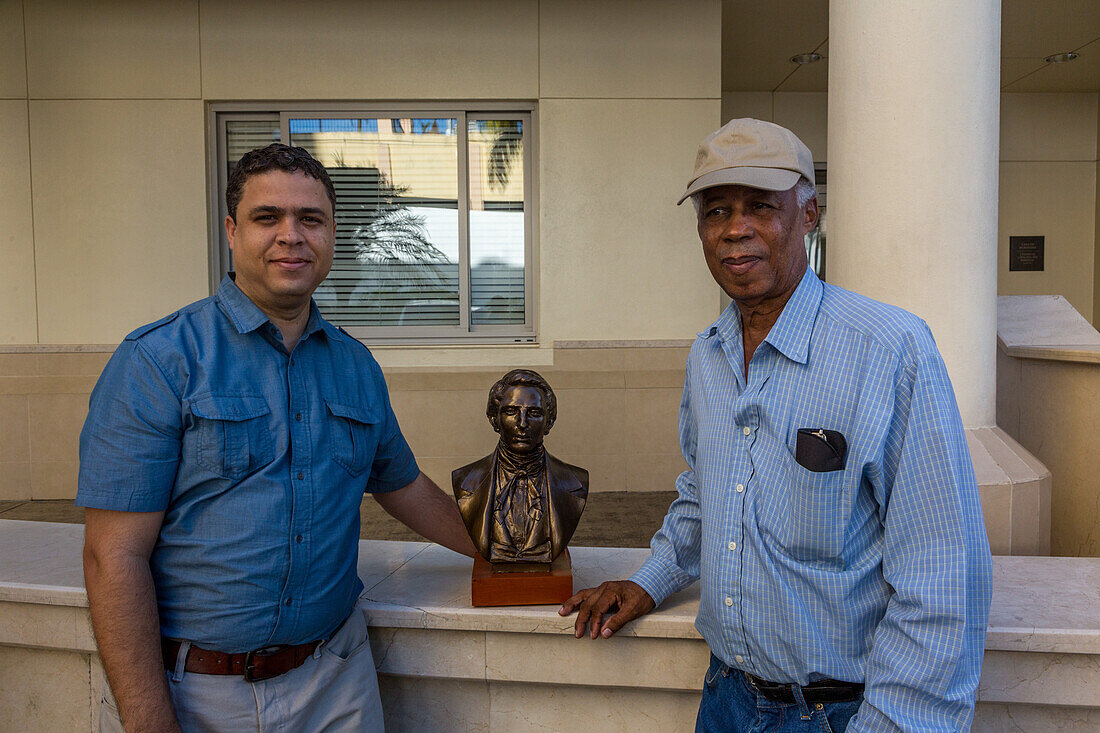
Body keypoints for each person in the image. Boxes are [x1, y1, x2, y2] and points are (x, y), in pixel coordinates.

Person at [559, 118, 993, 732]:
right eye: (716, 212)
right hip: (726, 702)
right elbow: (705, 495)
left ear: (809, 213)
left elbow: (944, 573)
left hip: (840, 714)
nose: (735, 229)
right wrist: (650, 581)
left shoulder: (889, 349)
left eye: (760, 206)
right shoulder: (708, 356)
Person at [77, 143, 475, 732]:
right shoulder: (160, 361)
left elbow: (403, 486)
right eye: (269, 218)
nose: (292, 235)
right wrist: (148, 723)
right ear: (233, 233)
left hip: (340, 681)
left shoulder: (356, 365)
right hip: (206, 697)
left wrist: (506, 550)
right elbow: (113, 557)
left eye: (310, 219)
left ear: (332, 235)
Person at [452, 369, 588, 564]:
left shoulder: (576, 481)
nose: (522, 423)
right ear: (494, 419)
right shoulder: (465, 479)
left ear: (549, 422)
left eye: (534, 413)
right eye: (511, 411)